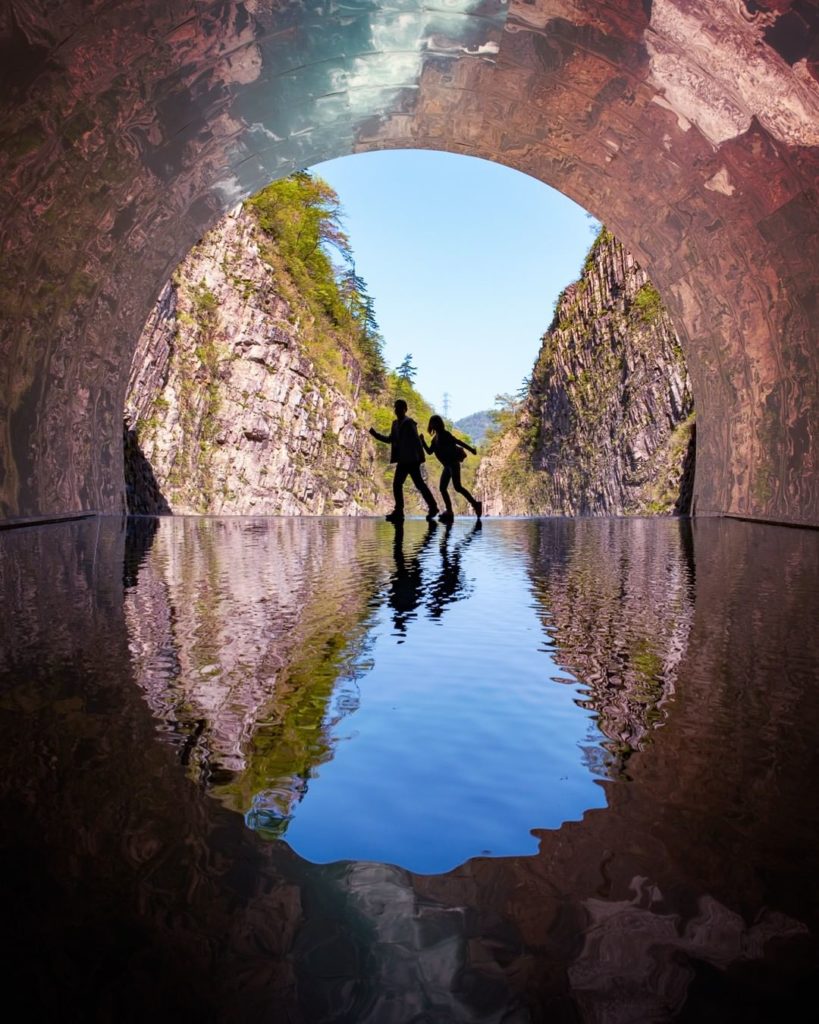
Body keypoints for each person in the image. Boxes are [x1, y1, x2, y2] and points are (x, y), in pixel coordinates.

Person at [369, 399, 439, 522]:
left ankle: (429, 507)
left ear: (405, 409)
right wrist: (375, 435)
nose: (397, 410)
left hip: (411, 459)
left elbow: (416, 441)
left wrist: (420, 457)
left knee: (413, 484)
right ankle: (402, 510)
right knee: (403, 484)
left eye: (399, 407)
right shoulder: (395, 424)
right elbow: (390, 439)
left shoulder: (409, 422)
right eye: (396, 407)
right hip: (403, 460)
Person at [420, 414, 482, 522]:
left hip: (453, 464)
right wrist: (423, 442)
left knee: (457, 487)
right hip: (447, 466)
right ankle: (450, 511)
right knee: (443, 488)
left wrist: (471, 450)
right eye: (432, 423)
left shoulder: (445, 435)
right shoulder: (435, 439)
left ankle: (475, 505)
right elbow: (429, 452)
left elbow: (458, 442)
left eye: (434, 423)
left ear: (437, 424)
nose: (433, 425)